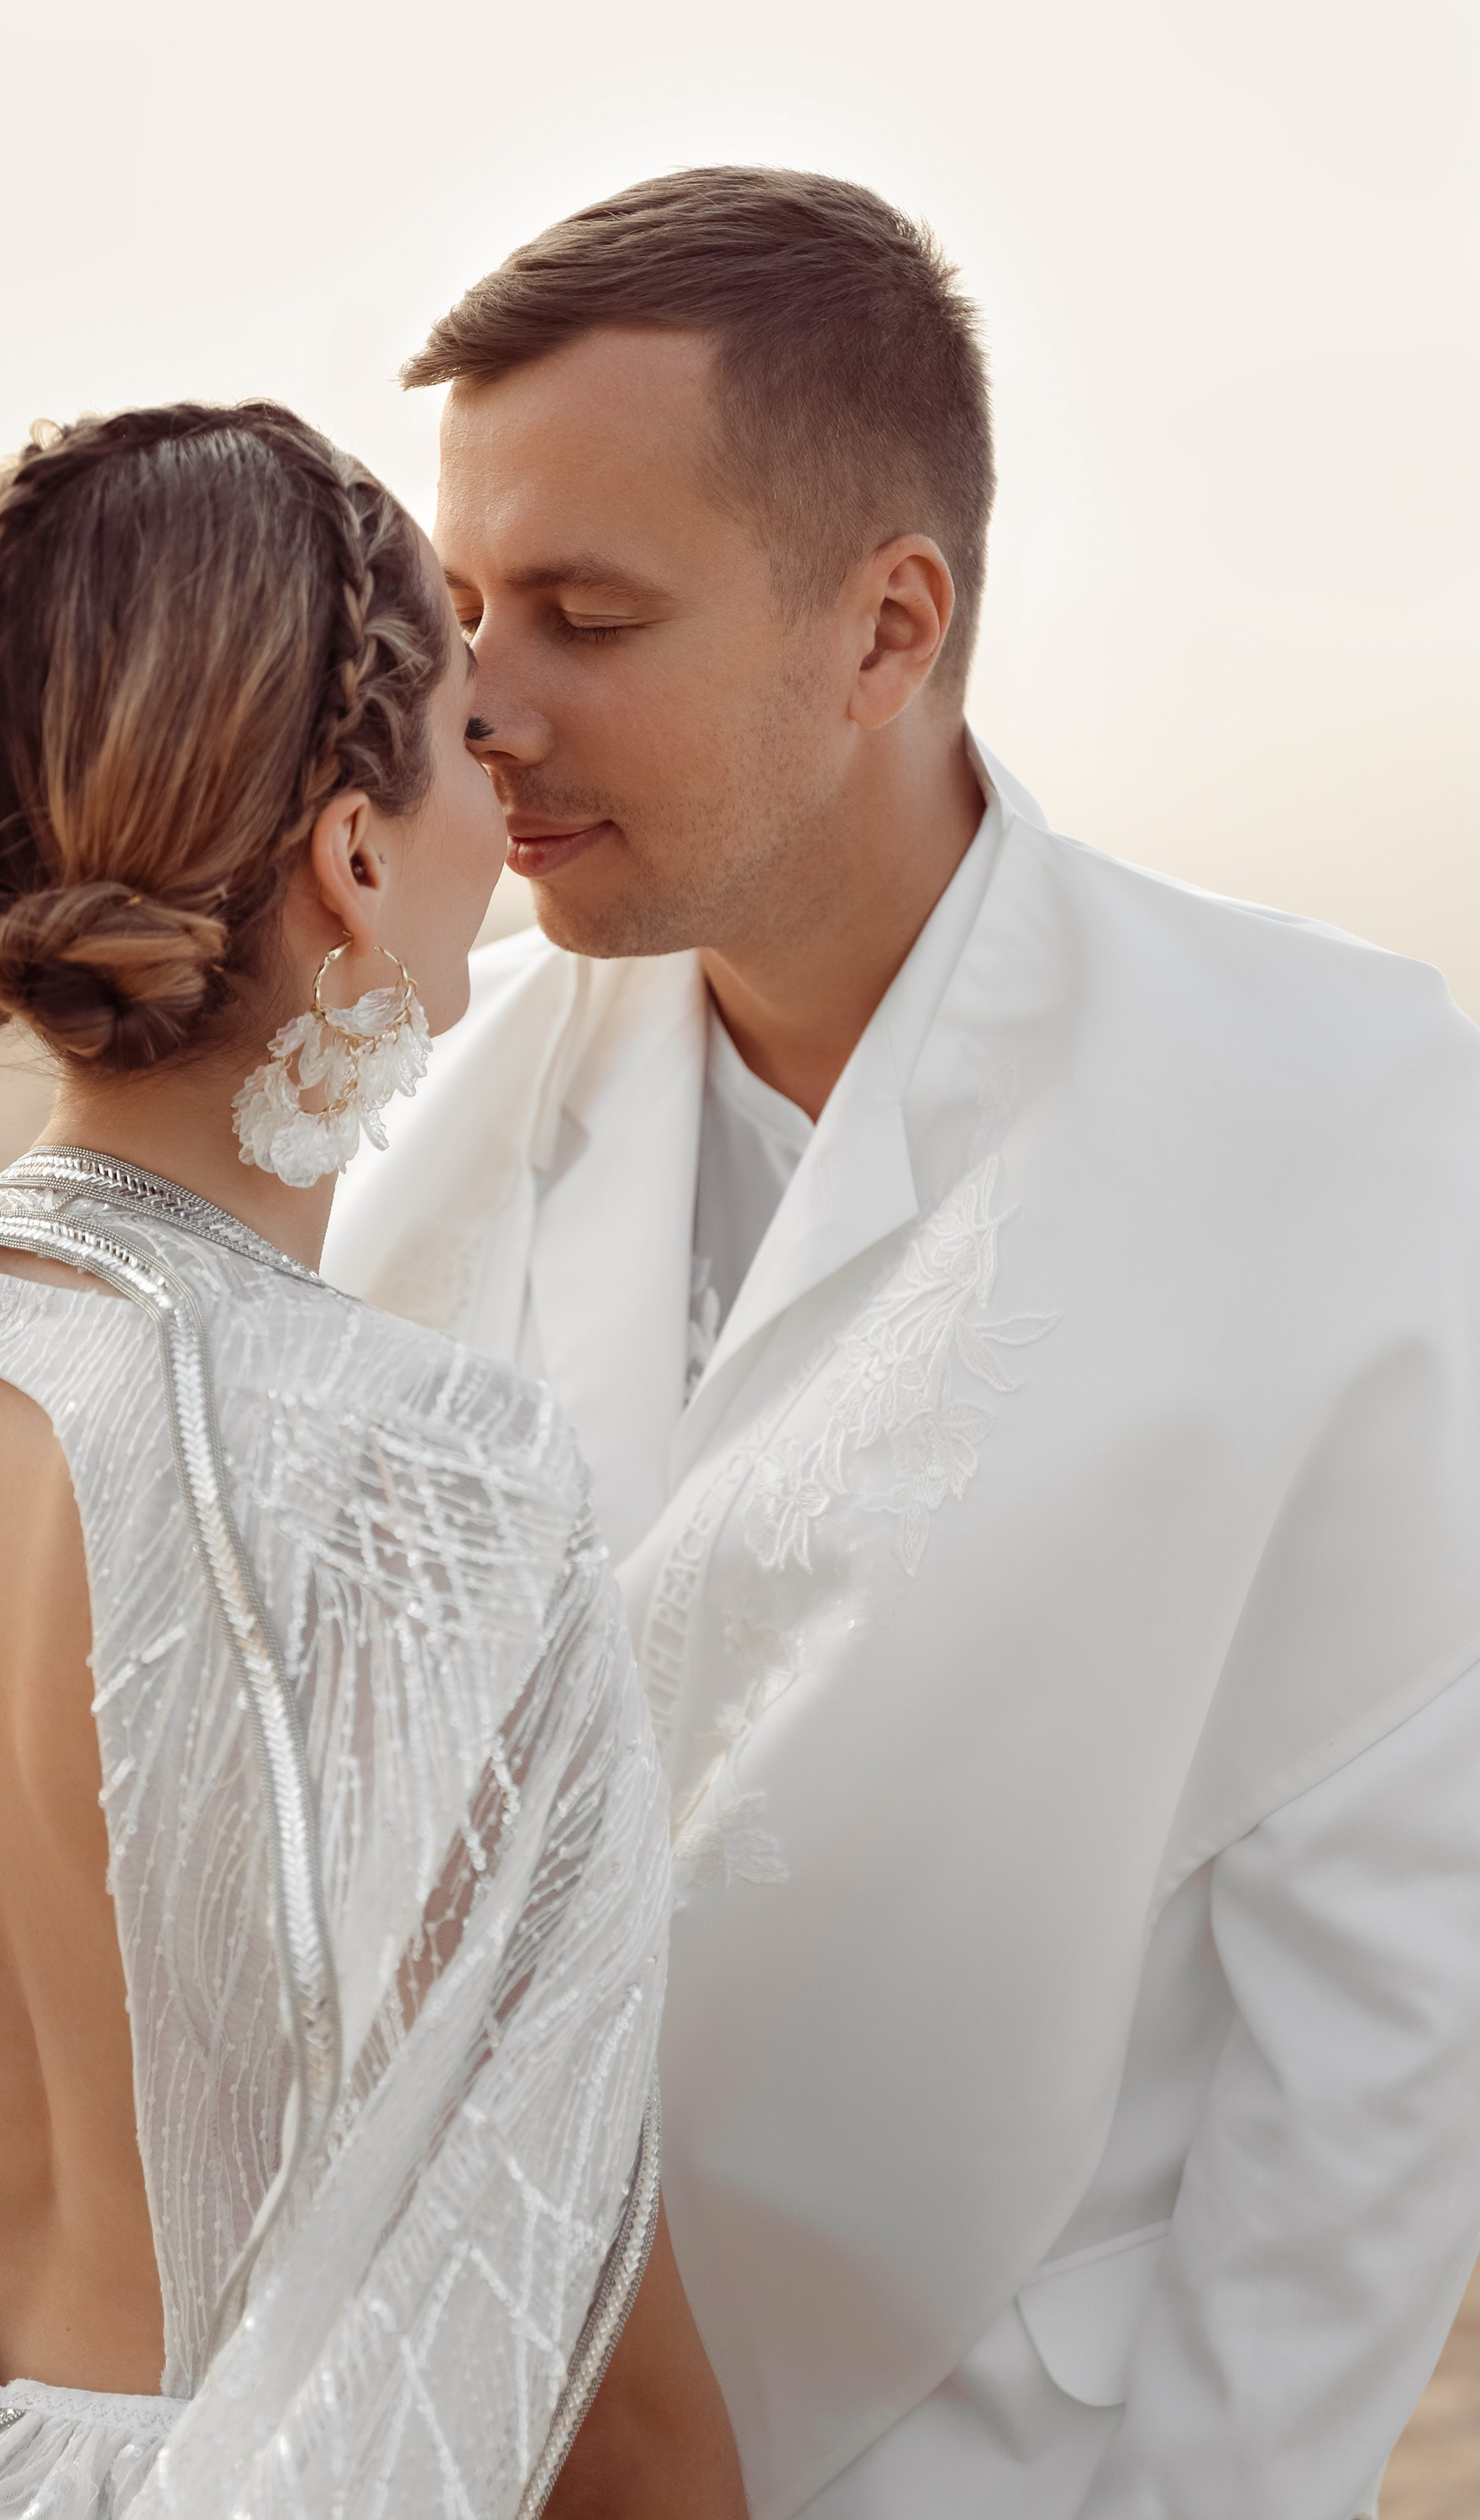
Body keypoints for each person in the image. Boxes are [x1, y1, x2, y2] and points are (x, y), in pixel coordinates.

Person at [323, 167, 1480, 2520]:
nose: (484, 707)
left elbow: (1375, 2041)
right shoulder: (419, 1117)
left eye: (584, 612)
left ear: (887, 624)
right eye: (460, 611)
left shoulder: (1347, 1114)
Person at [0, 401, 744, 2517]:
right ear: (347, 857)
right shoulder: (426, 1469)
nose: (499, 809)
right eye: (456, 758)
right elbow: (581, 2331)